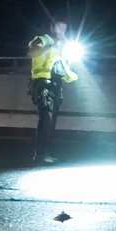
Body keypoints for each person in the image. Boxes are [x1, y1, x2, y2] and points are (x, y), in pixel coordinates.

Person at [26, 20, 79, 163]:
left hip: (55, 86)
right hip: (43, 84)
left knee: (50, 121)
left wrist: (72, 73)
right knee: (46, 119)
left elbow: (64, 70)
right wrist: (51, 46)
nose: (62, 31)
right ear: (51, 27)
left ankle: (44, 153)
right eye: (59, 27)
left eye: (64, 28)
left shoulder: (63, 46)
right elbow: (32, 52)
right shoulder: (43, 39)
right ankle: (40, 155)